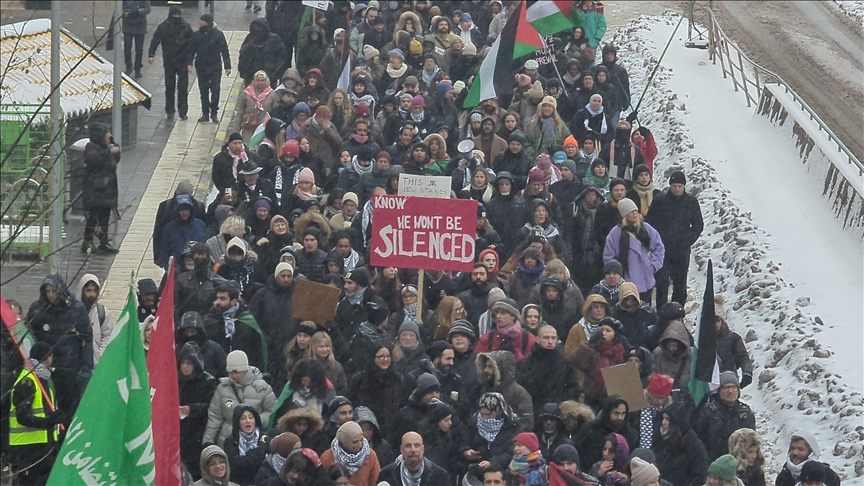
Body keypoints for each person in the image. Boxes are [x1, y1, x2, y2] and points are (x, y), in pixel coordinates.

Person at [27, 275, 93, 415]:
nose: (51, 295)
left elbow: (86, 338)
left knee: (70, 409)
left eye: (54, 291)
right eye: (48, 291)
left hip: (70, 369)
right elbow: (30, 336)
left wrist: (87, 366)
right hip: (45, 369)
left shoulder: (76, 309)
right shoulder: (37, 309)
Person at [8, 342, 64, 486]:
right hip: (28, 447)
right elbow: (22, 417)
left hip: (43, 445)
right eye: (51, 355)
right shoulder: (28, 382)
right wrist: (48, 422)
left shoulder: (44, 380)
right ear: (46, 358)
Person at [645, 170, 703, 306]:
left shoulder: (690, 202)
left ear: (684, 186)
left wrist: (688, 239)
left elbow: (698, 224)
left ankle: (678, 314)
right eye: (674, 186)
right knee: (662, 283)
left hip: (681, 250)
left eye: (679, 186)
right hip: (662, 249)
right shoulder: (660, 200)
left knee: (680, 284)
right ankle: (661, 314)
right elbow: (650, 222)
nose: (677, 189)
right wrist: (655, 241)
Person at [202, 350, 277, 447]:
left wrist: (253, 420)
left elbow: (273, 412)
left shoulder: (262, 388)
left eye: (236, 372)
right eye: (230, 372)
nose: (233, 375)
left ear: (245, 370)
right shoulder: (222, 388)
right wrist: (208, 441)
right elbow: (215, 417)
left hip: (255, 442)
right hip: (228, 441)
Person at [603, 198, 665, 303]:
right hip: (626, 281)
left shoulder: (646, 228)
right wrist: (616, 274)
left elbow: (659, 248)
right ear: (624, 214)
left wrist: (652, 265)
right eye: (631, 212)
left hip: (646, 279)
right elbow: (609, 257)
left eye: (635, 211)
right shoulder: (615, 233)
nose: (634, 214)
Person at [692, 371, 756, 462]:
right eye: (726, 387)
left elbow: (752, 441)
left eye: (733, 387)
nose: (730, 391)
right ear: (719, 390)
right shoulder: (708, 411)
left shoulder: (745, 412)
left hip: (739, 464)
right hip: (712, 463)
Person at [178, 342, 218, 479]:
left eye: (189, 362)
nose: (185, 366)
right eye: (183, 362)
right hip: (178, 432)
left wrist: (193, 409)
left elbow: (213, 407)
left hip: (197, 432)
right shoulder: (174, 379)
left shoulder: (207, 381)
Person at [516, 325, 579, 412]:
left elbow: (573, 387)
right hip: (534, 410)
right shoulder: (526, 364)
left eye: (553, 338)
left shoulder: (566, 363)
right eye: (546, 338)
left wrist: (563, 405)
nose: (550, 341)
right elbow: (522, 389)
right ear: (537, 339)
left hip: (559, 411)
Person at [82, 122, 121, 253]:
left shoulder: (107, 147)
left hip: (107, 190)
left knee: (105, 218)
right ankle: (87, 241)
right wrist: (108, 151)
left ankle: (104, 241)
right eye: (107, 133)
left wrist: (114, 145)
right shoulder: (91, 147)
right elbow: (93, 160)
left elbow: (116, 159)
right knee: (93, 218)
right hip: (95, 191)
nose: (109, 135)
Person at [571, 317, 628, 408]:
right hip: (592, 396)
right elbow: (577, 362)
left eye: (608, 331)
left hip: (613, 398)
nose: (603, 333)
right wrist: (590, 344)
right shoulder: (593, 349)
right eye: (602, 330)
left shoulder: (622, 352)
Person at [147, 6, 192, 119]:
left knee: (170, 87)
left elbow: (155, 41)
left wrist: (151, 54)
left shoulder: (164, 26)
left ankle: (170, 111)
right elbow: (192, 42)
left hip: (169, 60)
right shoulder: (185, 26)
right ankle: (182, 112)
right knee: (182, 88)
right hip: (181, 60)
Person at [573, 395, 639, 473]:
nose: (620, 418)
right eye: (616, 413)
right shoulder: (590, 429)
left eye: (623, 414)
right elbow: (579, 455)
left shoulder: (630, 434)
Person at [461, 392, 521, 474]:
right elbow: (464, 441)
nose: (485, 418)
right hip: (476, 472)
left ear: (498, 412)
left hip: (502, 473)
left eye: (489, 414)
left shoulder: (512, 426)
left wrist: (493, 463)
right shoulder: (474, 423)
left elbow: (512, 451)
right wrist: (466, 451)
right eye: (482, 414)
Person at [474, 351, 534, 431]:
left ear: (501, 369)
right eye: (485, 366)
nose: (486, 370)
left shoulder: (519, 394)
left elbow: (526, 424)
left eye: (490, 367)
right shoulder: (482, 389)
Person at [188, 13, 231, 123]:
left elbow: (224, 50)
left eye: (202, 20)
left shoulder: (218, 35)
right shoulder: (196, 35)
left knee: (215, 89)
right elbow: (191, 50)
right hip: (201, 66)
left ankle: (214, 113)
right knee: (203, 90)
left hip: (215, 66)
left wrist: (227, 65)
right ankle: (205, 113)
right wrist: (189, 63)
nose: (200, 22)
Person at [652, 403, 708, 486]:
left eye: (668, 419)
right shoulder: (659, 441)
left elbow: (698, 478)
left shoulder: (694, 447)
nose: (663, 422)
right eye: (663, 418)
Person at [320, 421, 380, 485]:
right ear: (344, 443)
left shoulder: (370, 455)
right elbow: (321, 481)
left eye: (361, 440)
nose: (360, 445)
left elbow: (375, 481)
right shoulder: (327, 457)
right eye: (355, 442)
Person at [378, 431, 449, 485]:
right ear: (401, 449)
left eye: (417, 445)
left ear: (422, 449)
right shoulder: (387, 474)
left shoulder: (439, 476)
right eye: (408, 446)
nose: (413, 450)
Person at [157, 195, 207, 270]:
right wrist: (169, 268)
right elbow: (164, 251)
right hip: (176, 268)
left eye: (187, 210)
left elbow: (204, 248)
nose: (184, 213)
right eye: (181, 210)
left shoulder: (200, 225)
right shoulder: (169, 228)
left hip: (196, 268)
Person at [222, 404, 267, 486]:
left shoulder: (265, 439)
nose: (248, 421)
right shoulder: (231, 442)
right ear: (237, 422)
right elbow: (237, 466)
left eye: (251, 417)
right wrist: (258, 451)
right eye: (243, 418)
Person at [774, 432, 841, 486]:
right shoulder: (784, 476)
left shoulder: (828, 476)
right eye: (793, 448)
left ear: (811, 452)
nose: (795, 453)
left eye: (801, 449)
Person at [76, 273, 115, 366]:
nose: (91, 294)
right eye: (88, 290)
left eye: (94, 291)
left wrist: (99, 356)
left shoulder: (102, 313)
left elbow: (108, 335)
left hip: (95, 365)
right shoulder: (71, 312)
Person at [714, 298, 753, 388]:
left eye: (717, 320)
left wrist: (747, 373)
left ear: (722, 321)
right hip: (706, 383)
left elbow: (743, 357)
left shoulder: (733, 338)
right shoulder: (701, 339)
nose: (713, 323)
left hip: (728, 381)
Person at [121, 1, 150, 77]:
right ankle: (128, 67)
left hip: (140, 26)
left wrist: (136, 11)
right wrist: (125, 12)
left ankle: (137, 68)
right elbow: (121, 7)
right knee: (127, 48)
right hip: (128, 25)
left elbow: (148, 9)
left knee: (139, 49)